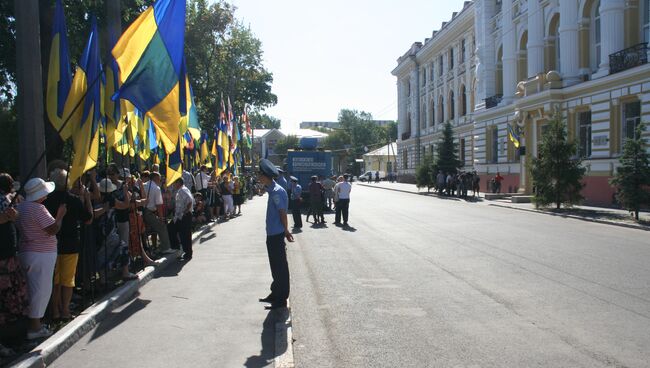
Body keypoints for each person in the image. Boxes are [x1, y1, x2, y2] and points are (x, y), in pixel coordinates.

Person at [15, 177, 67, 339]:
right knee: (41, 290)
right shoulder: (38, 209)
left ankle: (34, 323)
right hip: (42, 253)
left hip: (26, 250)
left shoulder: (21, 206)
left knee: (31, 288)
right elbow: (52, 229)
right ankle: (35, 327)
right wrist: (60, 216)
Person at [43, 169, 93, 321]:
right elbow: (88, 219)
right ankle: (65, 310)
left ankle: (55, 311)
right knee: (67, 280)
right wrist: (87, 198)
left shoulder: (45, 200)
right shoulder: (73, 199)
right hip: (71, 244)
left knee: (55, 281)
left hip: (51, 244)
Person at [257, 159, 293, 310]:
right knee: (274, 266)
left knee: (280, 267)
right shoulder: (271, 189)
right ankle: (275, 293)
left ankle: (281, 299)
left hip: (277, 235)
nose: (259, 177)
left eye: (260, 175)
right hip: (271, 234)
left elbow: (282, 213)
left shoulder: (277, 192)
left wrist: (286, 231)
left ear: (266, 176)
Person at [0, 173, 29, 343]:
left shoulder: (8, 198)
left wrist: (12, 213)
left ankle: (12, 333)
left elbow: (15, 216)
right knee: (6, 295)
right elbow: (7, 217)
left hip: (9, 254)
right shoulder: (3, 199)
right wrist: (6, 216)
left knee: (13, 291)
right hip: (3, 258)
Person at [142, 172, 173, 254]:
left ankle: (151, 248)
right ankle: (166, 248)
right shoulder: (156, 188)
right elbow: (159, 205)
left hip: (142, 211)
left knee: (146, 232)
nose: (160, 181)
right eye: (159, 179)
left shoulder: (144, 185)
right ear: (156, 178)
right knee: (162, 227)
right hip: (150, 212)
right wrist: (161, 218)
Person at [168, 178, 194, 261]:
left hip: (184, 216)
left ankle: (187, 254)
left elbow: (190, 201)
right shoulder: (181, 190)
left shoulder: (183, 190)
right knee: (171, 228)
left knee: (185, 235)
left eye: (174, 183)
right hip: (179, 216)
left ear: (178, 182)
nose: (173, 185)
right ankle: (177, 248)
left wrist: (184, 213)